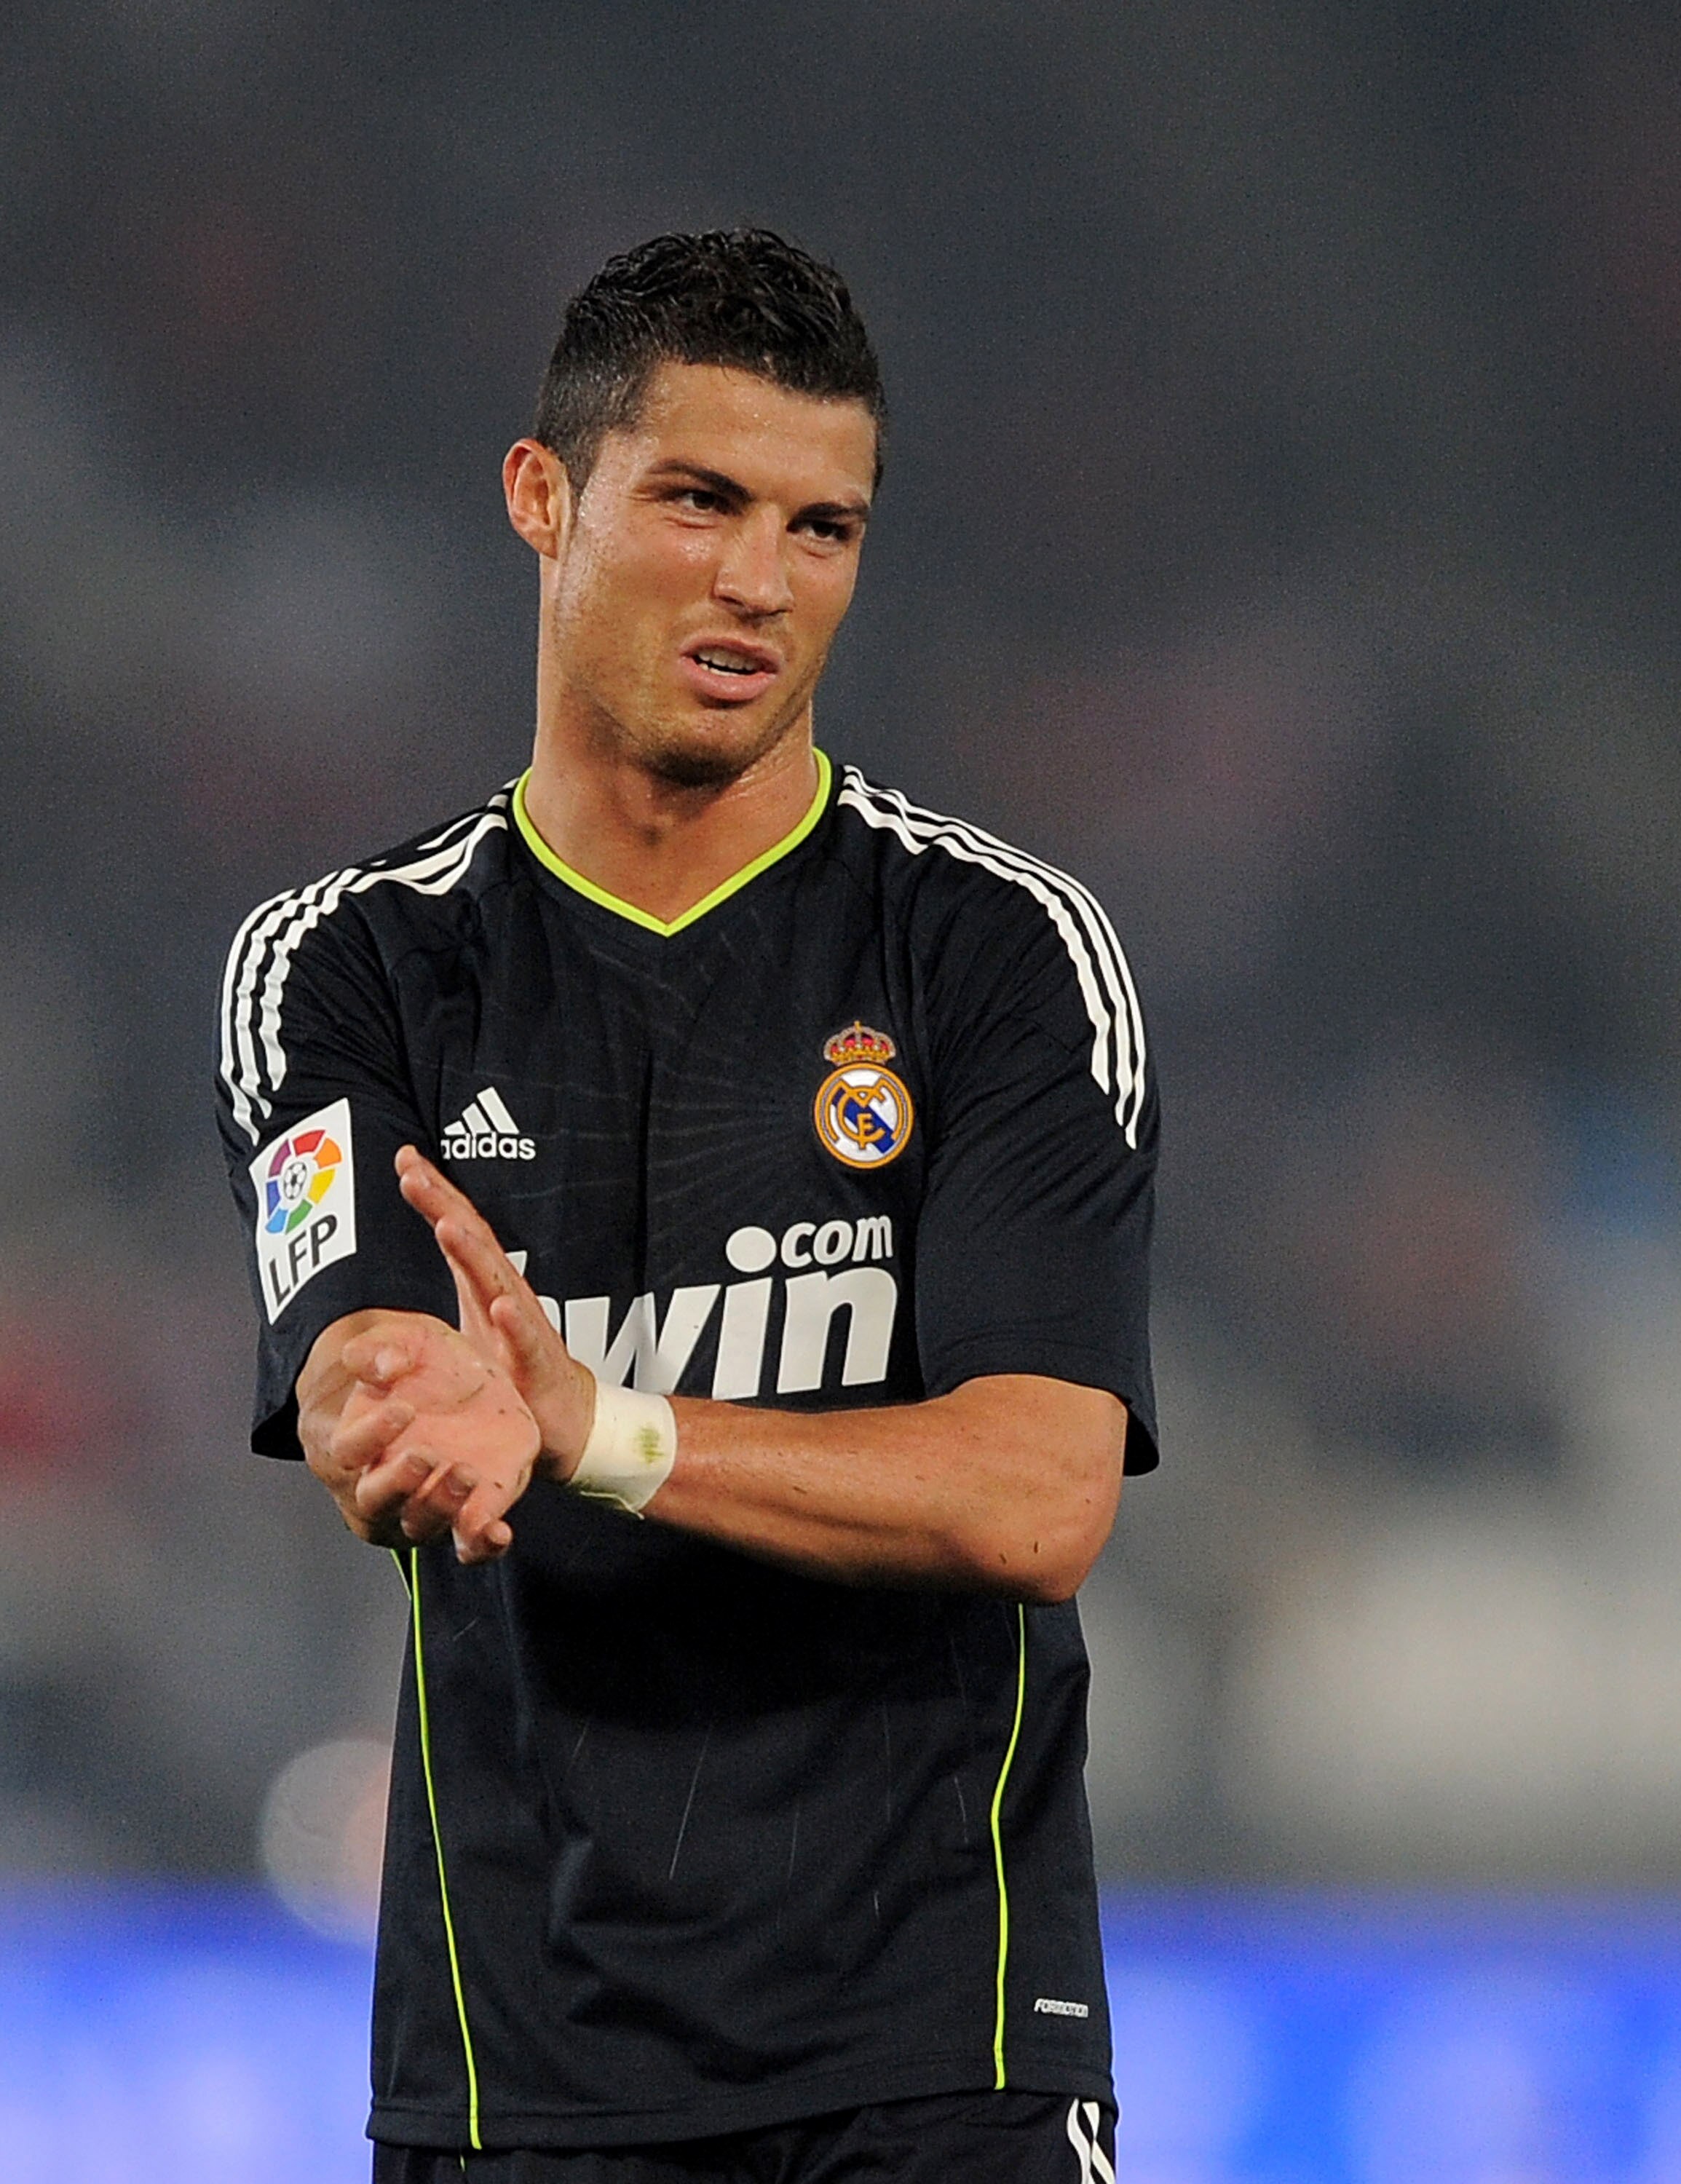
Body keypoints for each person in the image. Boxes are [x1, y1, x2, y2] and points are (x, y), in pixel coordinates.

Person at [216, 229, 1157, 2184]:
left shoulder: (994, 952)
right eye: (701, 501)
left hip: (937, 2048)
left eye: (823, 527)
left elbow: (1040, 1493)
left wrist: (600, 1431)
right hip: (518, 2062)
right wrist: (390, 1409)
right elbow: (374, 1383)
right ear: (540, 498)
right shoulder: (349, 968)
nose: (759, 579)